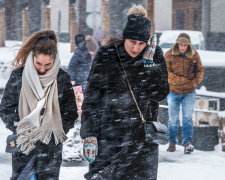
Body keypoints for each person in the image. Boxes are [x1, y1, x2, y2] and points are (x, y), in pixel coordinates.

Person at [80, 5, 169, 180]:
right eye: (132, 42)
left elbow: (160, 94)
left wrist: (149, 66)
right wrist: (89, 133)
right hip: (109, 136)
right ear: (124, 37)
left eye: (141, 43)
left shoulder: (154, 55)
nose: (136, 48)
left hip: (143, 140)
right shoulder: (107, 54)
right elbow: (92, 97)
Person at [0, 30, 78, 180]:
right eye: (38, 64)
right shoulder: (19, 76)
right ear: (32, 57)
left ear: (54, 60)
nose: (42, 69)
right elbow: (6, 108)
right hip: (24, 145)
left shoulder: (62, 78)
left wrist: (56, 131)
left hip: (51, 149)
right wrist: (21, 128)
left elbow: (70, 112)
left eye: (48, 65)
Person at [165, 33, 204, 154]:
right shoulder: (168, 54)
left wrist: (195, 82)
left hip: (189, 92)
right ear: (177, 44)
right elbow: (166, 74)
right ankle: (172, 143)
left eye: (185, 45)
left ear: (189, 45)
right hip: (173, 92)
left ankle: (188, 143)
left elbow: (200, 70)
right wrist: (184, 81)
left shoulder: (194, 54)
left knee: (187, 118)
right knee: (173, 119)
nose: (183, 47)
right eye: (181, 44)